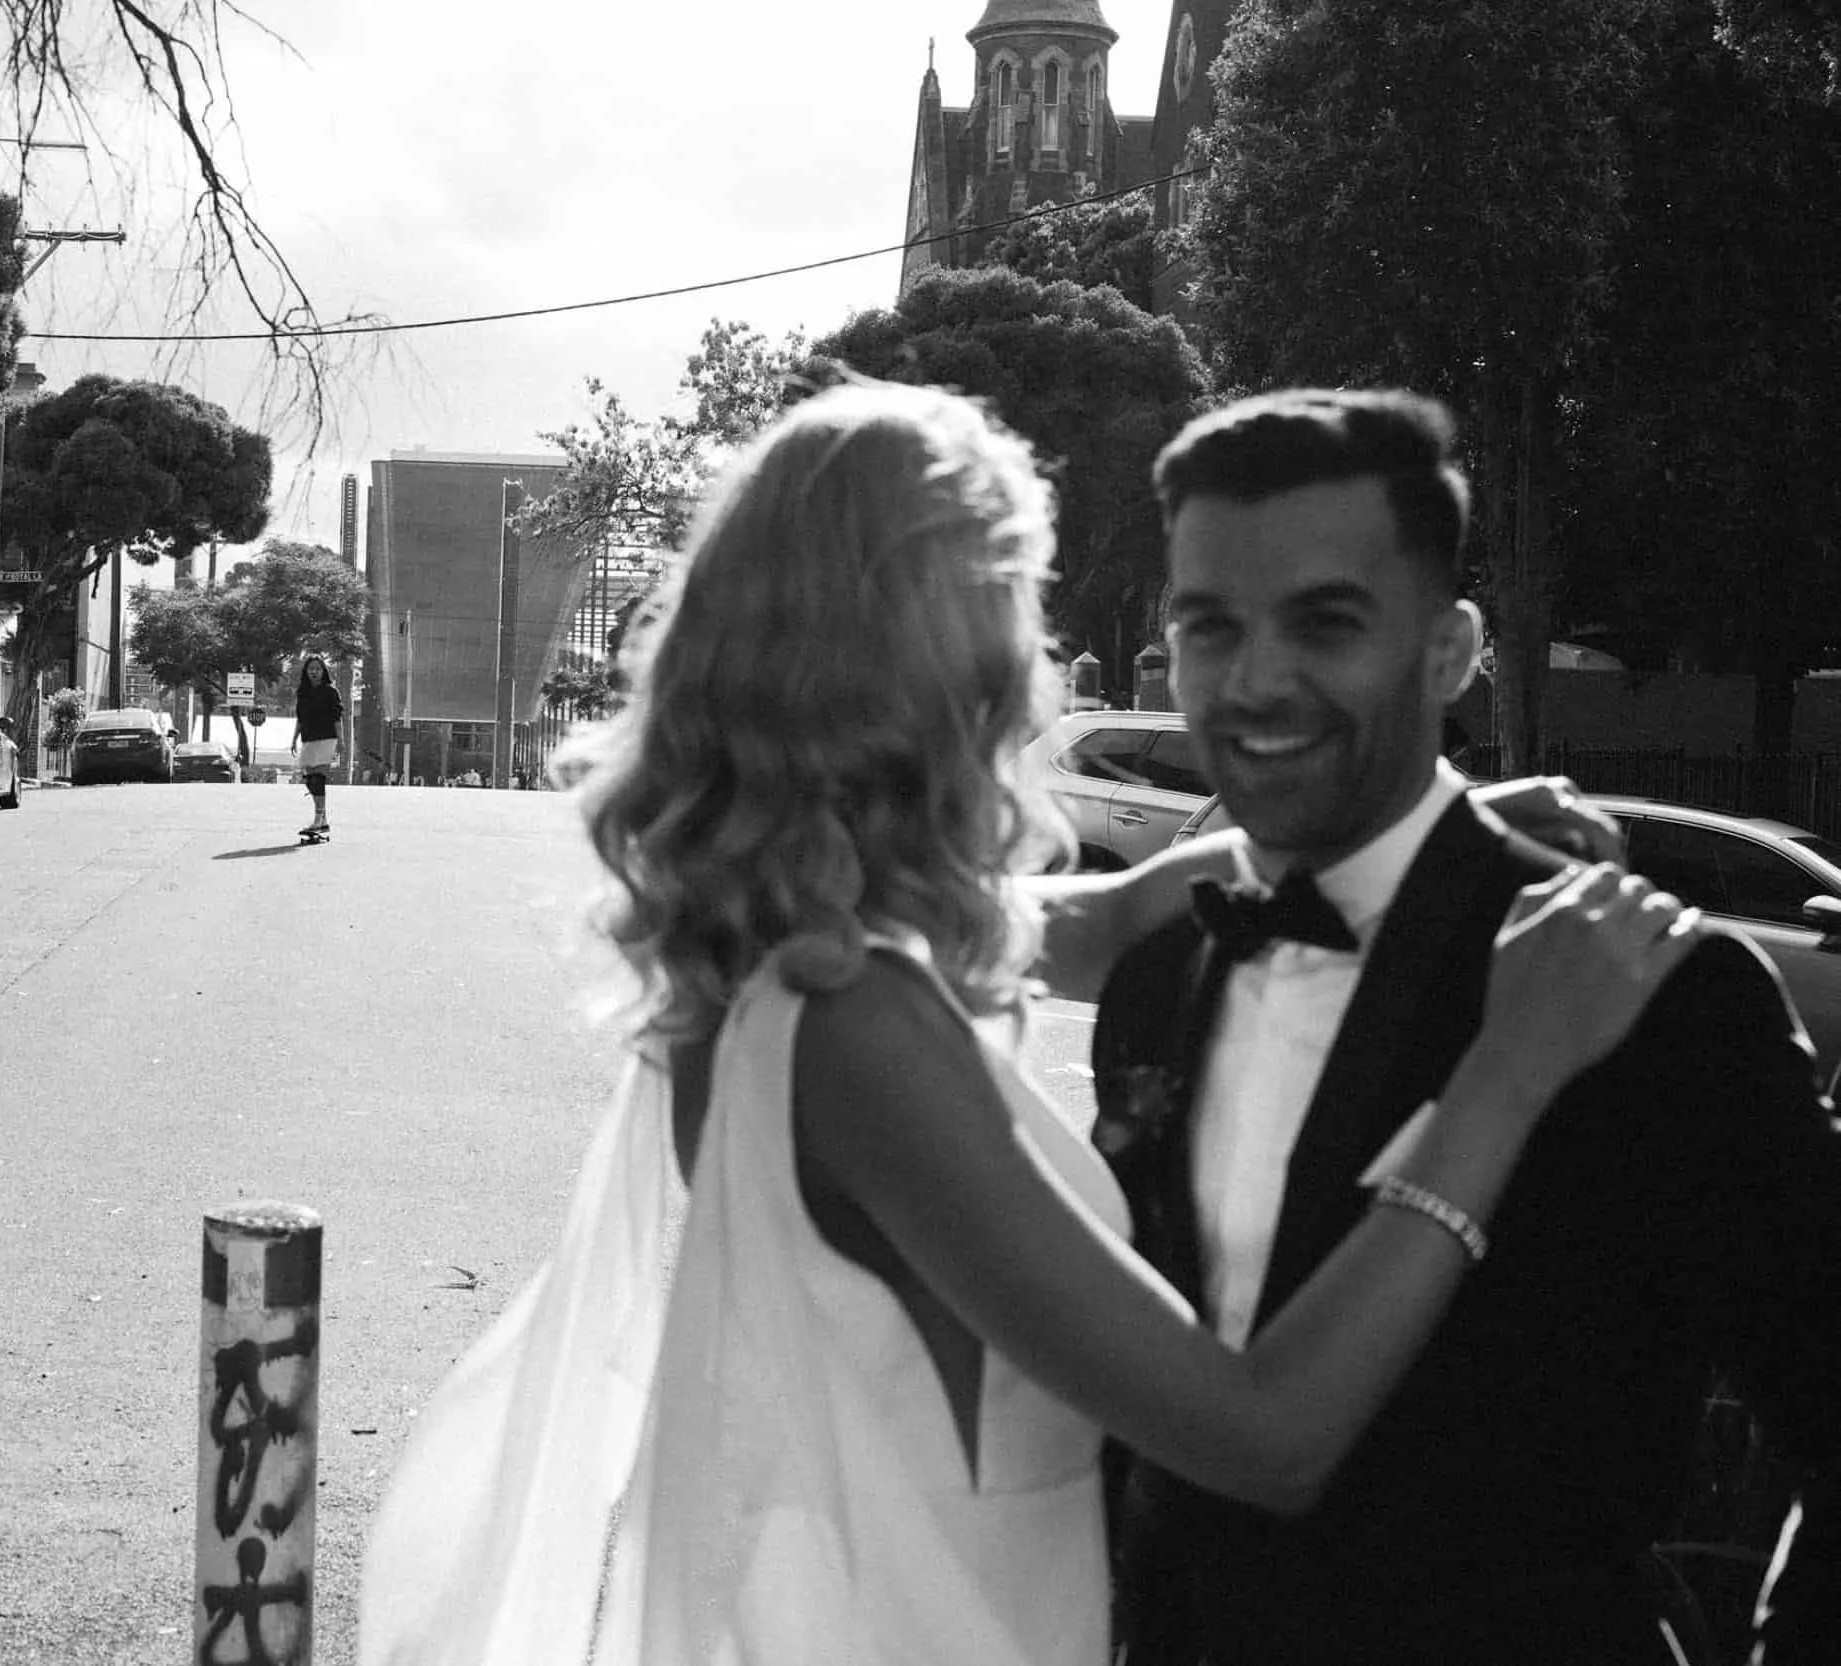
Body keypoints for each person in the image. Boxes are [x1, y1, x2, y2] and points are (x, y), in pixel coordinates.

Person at [356, 380, 1700, 1666]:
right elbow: (1263, 1434)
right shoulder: (859, 1029)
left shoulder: (785, 958)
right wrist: (1499, 1082)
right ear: (942, 654)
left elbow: (1099, 918)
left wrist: (1433, 838)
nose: (1041, 656)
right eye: (1015, 601)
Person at [1093, 388, 1841, 1664]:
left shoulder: (1657, 993)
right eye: (1209, 626)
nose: (1256, 679)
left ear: (1451, 650)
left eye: (1326, 622)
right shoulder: (1162, 972)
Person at [289, 656, 343, 838]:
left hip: (327, 738)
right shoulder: (302, 693)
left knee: (318, 777)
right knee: (310, 779)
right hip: (309, 738)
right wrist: (294, 737)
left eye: (317, 669)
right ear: (306, 671)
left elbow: (337, 717)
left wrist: (341, 740)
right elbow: (300, 718)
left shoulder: (330, 692)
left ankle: (318, 819)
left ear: (323, 671)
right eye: (311, 668)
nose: (314, 672)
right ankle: (323, 819)